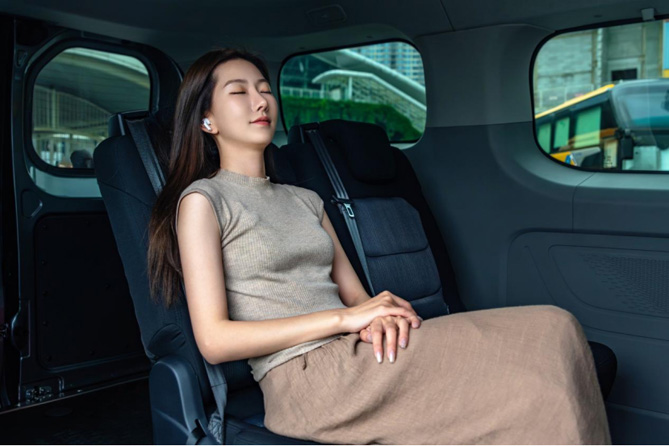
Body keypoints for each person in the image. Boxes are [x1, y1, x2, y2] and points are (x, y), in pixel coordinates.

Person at [147, 48, 611, 444]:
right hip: (307, 381)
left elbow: (357, 298)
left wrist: (378, 316)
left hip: (359, 353)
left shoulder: (305, 199)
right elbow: (214, 341)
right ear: (207, 119)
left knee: (556, 333)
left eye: (265, 89)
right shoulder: (203, 201)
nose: (260, 100)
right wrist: (345, 320)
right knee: (544, 339)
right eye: (239, 92)